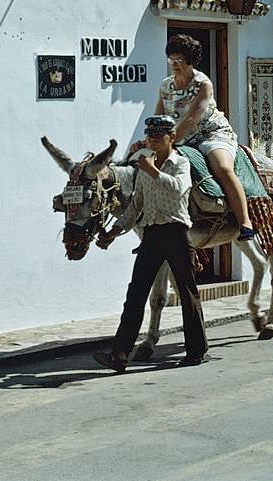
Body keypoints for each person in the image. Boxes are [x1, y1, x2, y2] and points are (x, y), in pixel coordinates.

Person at [93, 115, 208, 371]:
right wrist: (114, 232)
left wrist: (152, 171)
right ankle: (120, 354)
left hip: (177, 233)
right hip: (152, 235)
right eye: (150, 136)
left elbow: (178, 189)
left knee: (187, 293)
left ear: (172, 137)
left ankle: (196, 351)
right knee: (135, 294)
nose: (153, 140)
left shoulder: (181, 163)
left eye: (159, 135)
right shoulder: (145, 167)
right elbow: (136, 205)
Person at [144, 34, 255, 240]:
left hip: (211, 134)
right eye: (171, 60)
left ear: (190, 61)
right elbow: (159, 117)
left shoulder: (203, 83)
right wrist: (150, 139)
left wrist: (169, 140)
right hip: (179, 138)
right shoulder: (165, 85)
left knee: (222, 166)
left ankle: (244, 222)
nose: (174, 65)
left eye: (179, 60)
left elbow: (192, 119)